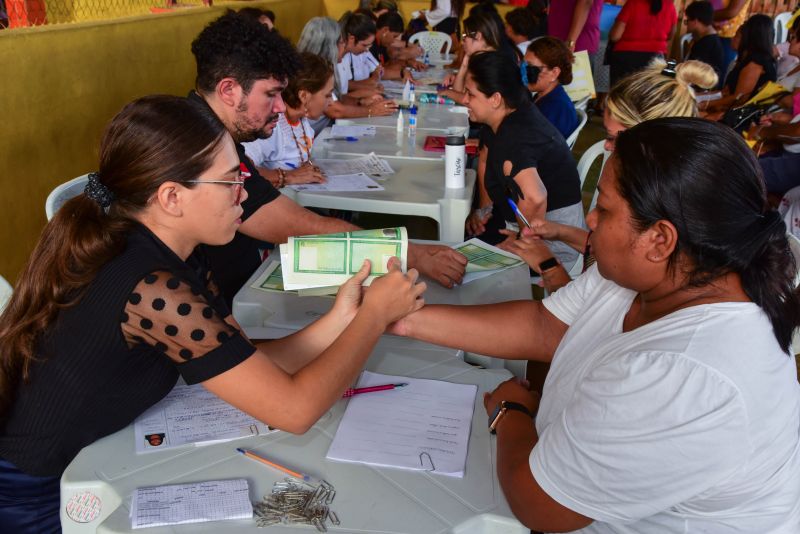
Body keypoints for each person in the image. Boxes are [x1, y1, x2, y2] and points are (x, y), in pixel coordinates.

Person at [0, 95, 426, 533]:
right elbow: (295, 411)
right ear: (172, 197)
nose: (244, 193)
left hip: (99, 456)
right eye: (229, 182)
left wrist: (344, 316)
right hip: (39, 490)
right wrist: (374, 317)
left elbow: (249, 362)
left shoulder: (180, 253)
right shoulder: (151, 287)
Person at [393, 117, 800, 532]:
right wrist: (400, 318)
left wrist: (512, 411)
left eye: (603, 209)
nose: (589, 220)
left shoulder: (689, 371)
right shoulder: (660, 274)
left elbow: (542, 506)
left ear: (659, 239)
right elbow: (544, 327)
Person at [191, 13, 466, 303]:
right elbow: (293, 224)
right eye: (271, 94)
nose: (281, 107)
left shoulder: (217, 137)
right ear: (228, 90)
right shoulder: (203, 149)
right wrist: (408, 253)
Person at [509, 59, 719, 292]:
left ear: (649, 142)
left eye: (613, 137)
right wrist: (560, 231)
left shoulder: (648, 211)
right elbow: (611, 248)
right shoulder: (665, 193)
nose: (607, 146)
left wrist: (550, 268)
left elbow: (592, 320)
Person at [464, 52, 584, 267]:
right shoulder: (502, 118)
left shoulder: (515, 137)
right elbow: (484, 157)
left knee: (462, 261)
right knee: (464, 242)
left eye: (470, 94)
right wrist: (484, 210)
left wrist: (523, 241)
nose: (464, 99)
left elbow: (535, 197)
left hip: (553, 242)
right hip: (519, 221)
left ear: (495, 99)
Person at [242, 53, 333, 188]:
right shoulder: (271, 125)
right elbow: (242, 171)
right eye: (327, 95)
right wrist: (289, 176)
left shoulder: (301, 120)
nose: (331, 102)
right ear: (304, 96)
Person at [297, 16, 397, 134]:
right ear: (329, 46)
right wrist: (371, 111)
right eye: (341, 42)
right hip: (310, 139)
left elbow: (337, 98)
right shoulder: (313, 71)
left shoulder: (324, 66)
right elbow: (335, 110)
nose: (344, 46)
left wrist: (360, 102)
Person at [703, 14, 776, 116]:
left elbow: (739, 98)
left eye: (737, 35)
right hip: (728, 109)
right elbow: (727, 94)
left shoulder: (756, 63)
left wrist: (705, 104)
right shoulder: (747, 59)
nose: (733, 38)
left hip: (741, 116)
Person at [438, 12, 512, 105]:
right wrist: (464, 65)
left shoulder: (492, 63)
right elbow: (460, 92)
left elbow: (467, 101)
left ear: (478, 36)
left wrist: (448, 93)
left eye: (465, 36)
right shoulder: (482, 58)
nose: (462, 41)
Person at [608, 0, 678, 87]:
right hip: (656, 60)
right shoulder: (670, 6)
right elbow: (671, 34)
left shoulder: (633, 3)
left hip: (626, 59)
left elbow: (615, 36)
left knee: (620, 94)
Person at [523, 37, 579, 139]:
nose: (523, 72)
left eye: (530, 67)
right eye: (523, 65)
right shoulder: (543, 96)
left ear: (554, 73)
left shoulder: (557, 108)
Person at [685, 0, 725, 87]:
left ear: (695, 21)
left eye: (687, 21)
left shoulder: (704, 45)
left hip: (700, 90)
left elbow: (689, 75)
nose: (686, 24)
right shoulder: (712, 40)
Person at [713, 0, 752, 75]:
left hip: (728, 36)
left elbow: (731, 12)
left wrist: (704, 15)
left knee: (718, 74)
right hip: (709, 30)